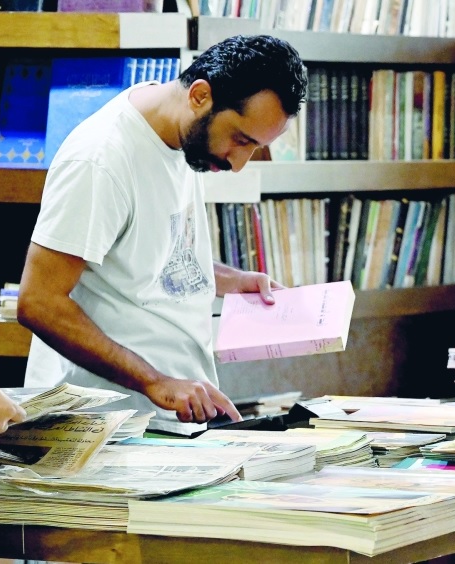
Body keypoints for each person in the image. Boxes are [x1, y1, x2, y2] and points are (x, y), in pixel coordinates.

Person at [16, 35, 308, 436]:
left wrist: (232, 280)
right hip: (106, 429)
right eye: (241, 140)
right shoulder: (100, 160)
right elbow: (39, 302)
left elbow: (148, 255)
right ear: (200, 96)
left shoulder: (183, 136)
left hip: (168, 422)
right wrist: (155, 381)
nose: (239, 162)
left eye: (254, 148)